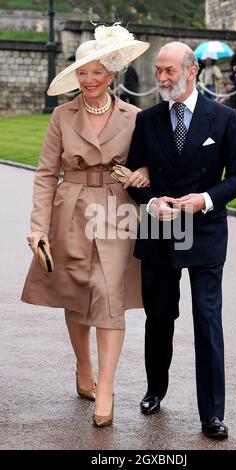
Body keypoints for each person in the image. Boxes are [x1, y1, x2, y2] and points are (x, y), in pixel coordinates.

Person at [21, 24, 150, 428]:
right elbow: (45, 174)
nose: (89, 80)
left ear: (111, 74)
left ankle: (106, 389)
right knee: (77, 293)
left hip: (116, 210)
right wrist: (38, 227)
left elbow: (153, 160)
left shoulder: (135, 116)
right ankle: (84, 368)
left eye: (96, 72)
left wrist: (144, 169)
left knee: (109, 295)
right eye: (82, 73)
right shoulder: (62, 115)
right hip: (70, 209)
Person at [125, 42, 236, 439]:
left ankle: (212, 414)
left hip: (206, 230)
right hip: (161, 230)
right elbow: (132, 177)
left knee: (207, 320)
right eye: (159, 71)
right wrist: (150, 201)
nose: (162, 78)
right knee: (159, 318)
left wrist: (206, 199)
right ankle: (155, 389)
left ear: (192, 71)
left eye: (169, 71)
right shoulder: (147, 120)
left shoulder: (225, 118)